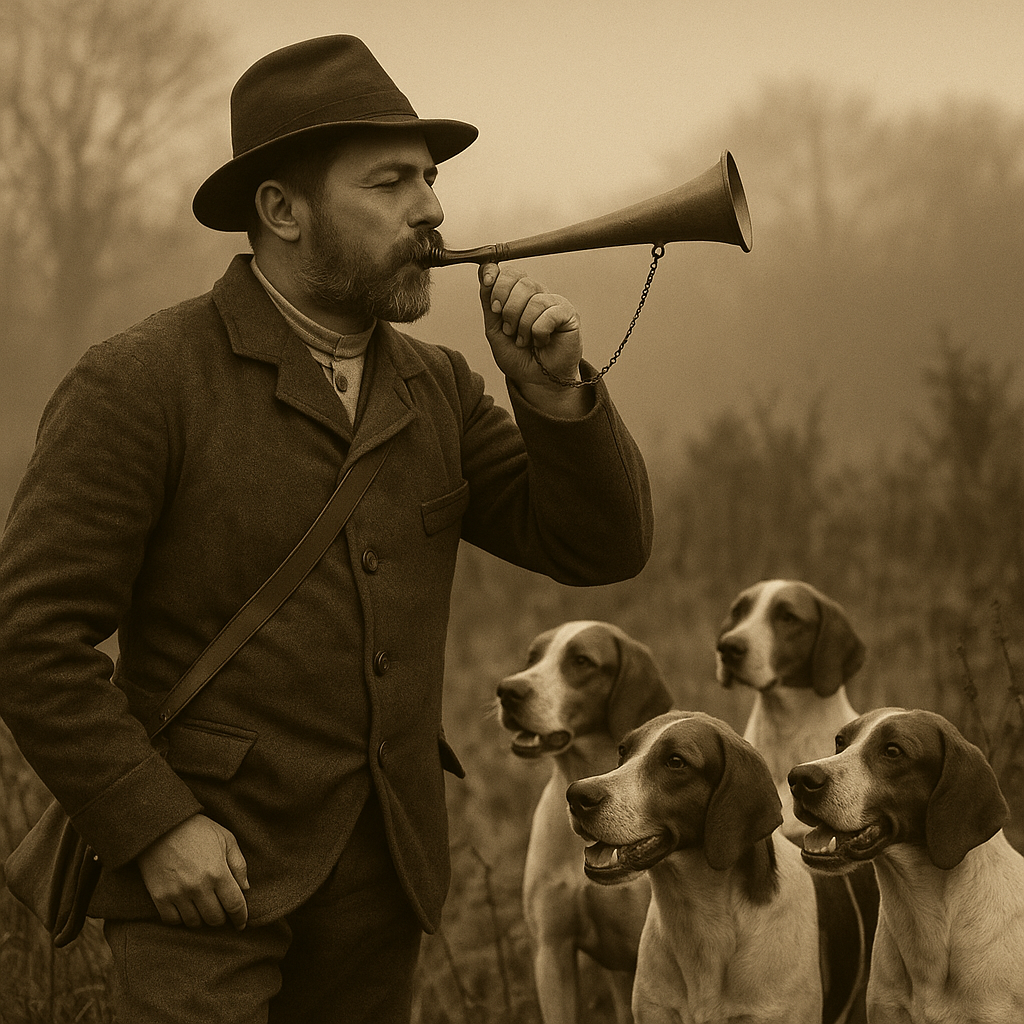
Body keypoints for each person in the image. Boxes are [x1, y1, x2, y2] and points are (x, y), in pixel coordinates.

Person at [0, 34, 653, 1023]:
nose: (432, 207)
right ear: (281, 209)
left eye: (429, 180)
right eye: (391, 182)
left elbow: (598, 547)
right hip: (200, 888)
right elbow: (28, 638)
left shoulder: (438, 387)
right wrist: (154, 825)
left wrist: (554, 393)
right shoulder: (138, 383)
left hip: (381, 883)